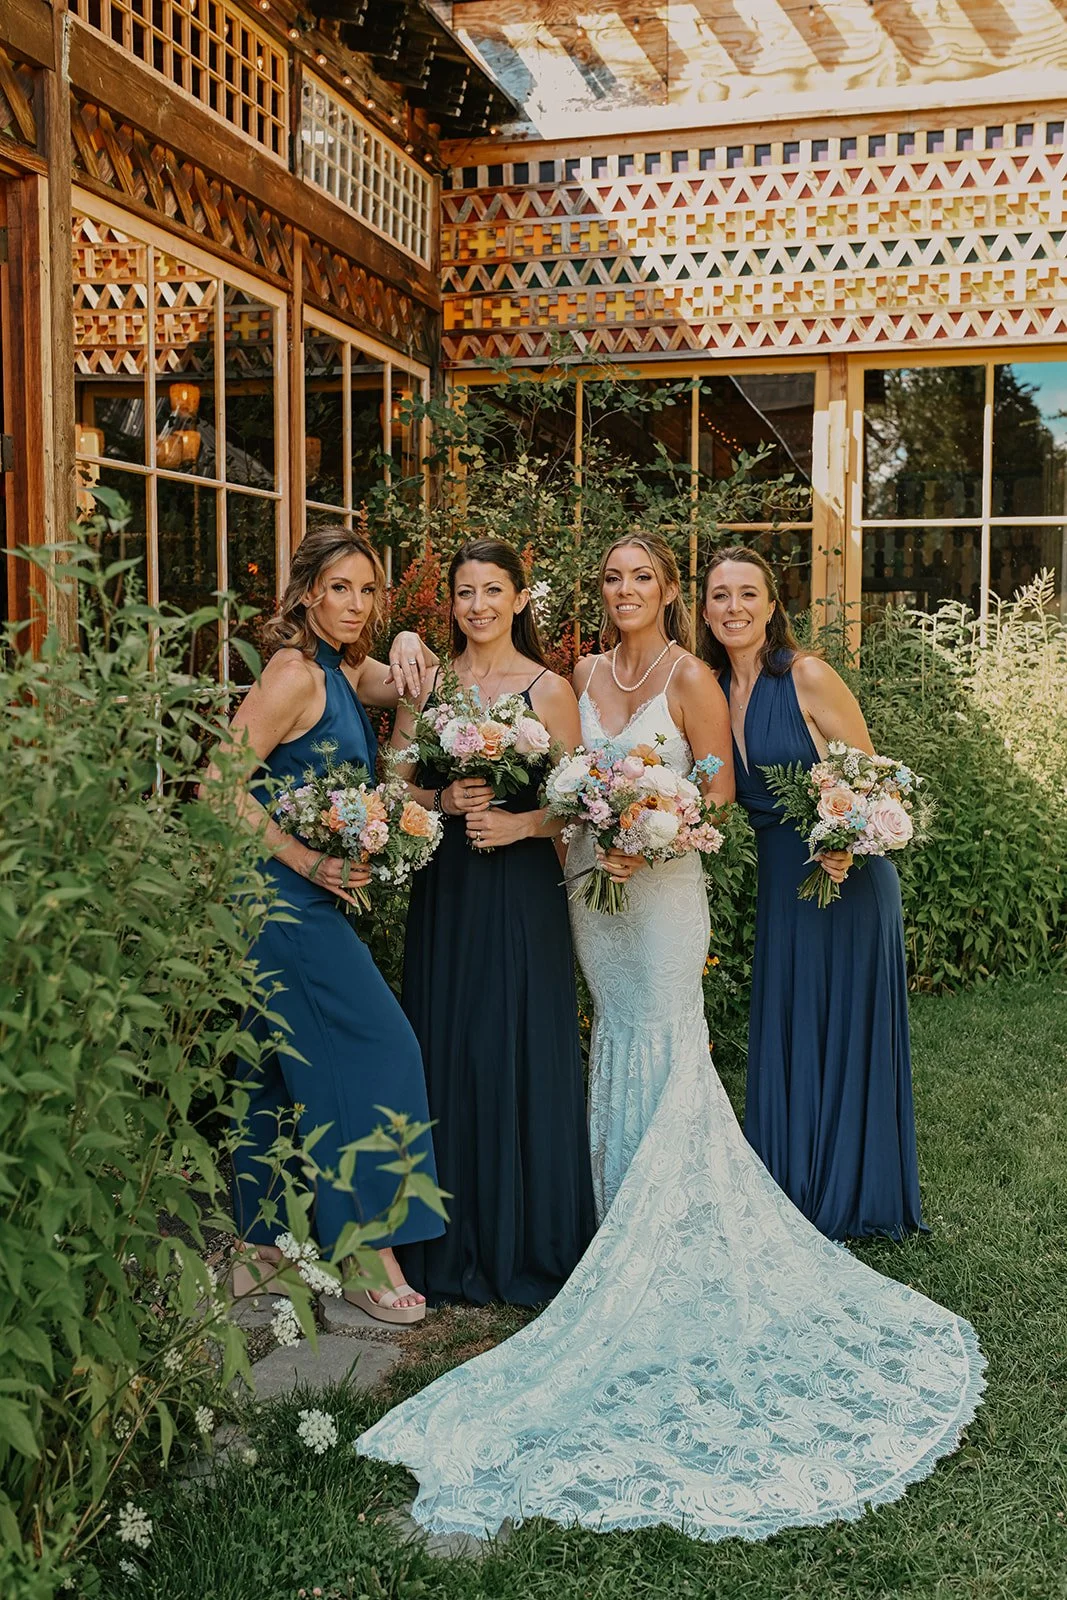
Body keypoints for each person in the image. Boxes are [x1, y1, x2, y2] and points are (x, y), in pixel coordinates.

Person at [356, 530, 984, 1542]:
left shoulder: (690, 676)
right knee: (613, 1032)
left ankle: (674, 1224)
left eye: (641, 576)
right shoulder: (579, 673)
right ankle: (611, 1214)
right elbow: (558, 784)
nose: (625, 589)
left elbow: (719, 792)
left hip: (659, 884)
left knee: (662, 1029)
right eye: (612, 577)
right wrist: (582, 816)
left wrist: (651, 821)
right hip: (586, 887)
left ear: (665, 589)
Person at [203, 525, 443, 1325]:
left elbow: (406, 710)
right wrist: (306, 861)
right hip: (279, 899)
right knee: (379, 1049)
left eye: (368, 591)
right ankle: (365, 1249)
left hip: (305, 897)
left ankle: (261, 1249)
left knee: (277, 1067)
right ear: (307, 592)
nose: (355, 604)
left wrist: (408, 652)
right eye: (339, 588)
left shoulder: (344, 669)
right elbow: (215, 786)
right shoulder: (292, 675)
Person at [699, 546, 924, 1241]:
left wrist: (846, 840)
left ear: (772, 605)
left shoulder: (806, 676)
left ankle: (856, 1189)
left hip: (846, 880)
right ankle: (793, 1180)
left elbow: (874, 780)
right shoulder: (711, 690)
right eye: (719, 595)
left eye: (747, 593)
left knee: (845, 1025)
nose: (734, 607)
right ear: (703, 610)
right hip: (781, 882)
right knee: (793, 1019)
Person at [393, 537, 596, 1305]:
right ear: (451, 603)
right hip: (447, 889)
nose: (476, 606)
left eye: (491, 591)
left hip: (521, 888)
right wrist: (440, 800)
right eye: (464, 592)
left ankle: (526, 1240)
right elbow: (393, 783)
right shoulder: (428, 684)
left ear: (519, 598)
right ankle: (448, 1241)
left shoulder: (549, 689)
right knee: (449, 1040)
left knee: (516, 1042)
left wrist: (520, 825)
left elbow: (580, 802)